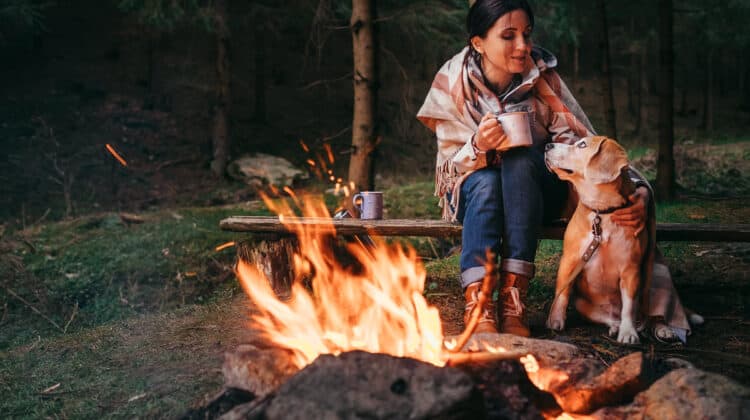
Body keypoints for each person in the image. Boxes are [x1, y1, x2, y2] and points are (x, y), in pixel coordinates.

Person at [416, 0, 654, 337]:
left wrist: (637, 192)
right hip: (474, 195)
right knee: (486, 183)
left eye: (527, 35)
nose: (523, 46)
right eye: (509, 36)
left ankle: (514, 299)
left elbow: (586, 148)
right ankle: (479, 302)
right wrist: (479, 145)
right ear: (478, 42)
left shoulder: (543, 77)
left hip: (537, 193)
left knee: (520, 160)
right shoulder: (453, 82)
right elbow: (452, 168)